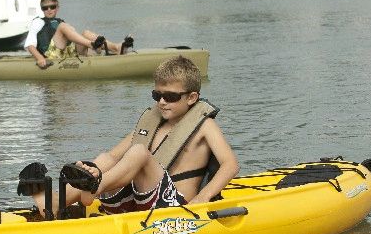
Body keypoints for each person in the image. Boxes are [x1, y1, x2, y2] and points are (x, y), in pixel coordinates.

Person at [20, 56, 240, 216]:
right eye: (157, 95)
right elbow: (114, 157)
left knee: (138, 152)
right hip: (137, 201)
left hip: (173, 206)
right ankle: (56, 201)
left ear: (192, 98)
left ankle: (93, 188)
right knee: (106, 158)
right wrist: (93, 168)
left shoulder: (205, 125)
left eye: (171, 96)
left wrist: (203, 198)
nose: (162, 102)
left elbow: (230, 165)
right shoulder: (152, 121)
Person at [24, 0, 134, 68]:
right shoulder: (38, 22)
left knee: (85, 33)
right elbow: (29, 45)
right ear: (42, 9)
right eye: (45, 7)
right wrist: (39, 58)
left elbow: (72, 40)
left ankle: (116, 48)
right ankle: (93, 45)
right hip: (51, 54)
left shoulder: (59, 21)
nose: (49, 10)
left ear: (57, 7)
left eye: (52, 6)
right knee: (64, 26)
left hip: (68, 51)